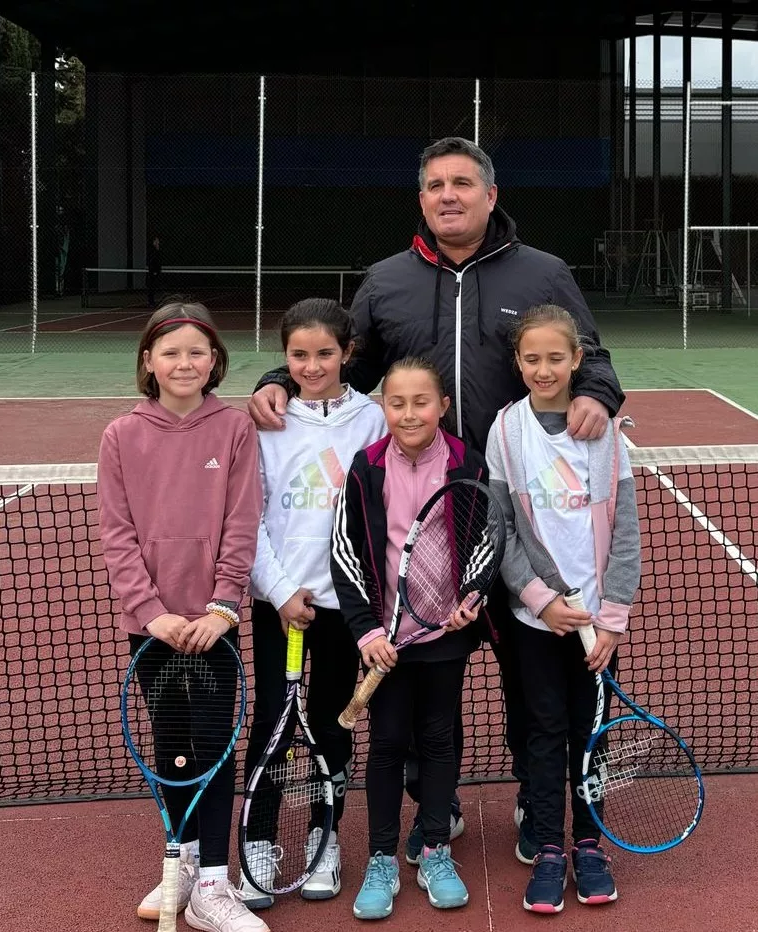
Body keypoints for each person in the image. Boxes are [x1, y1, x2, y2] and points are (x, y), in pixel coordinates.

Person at [246, 136, 626, 860]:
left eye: (461, 183)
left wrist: (600, 397)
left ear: (490, 193)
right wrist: (279, 377)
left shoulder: (544, 272)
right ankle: (434, 803)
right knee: (418, 677)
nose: (447, 195)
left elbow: (592, 356)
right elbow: (340, 359)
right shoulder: (387, 281)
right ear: (420, 198)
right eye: (433, 186)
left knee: (536, 677)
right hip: (408, 521)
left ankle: (541, 805)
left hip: (515, 517)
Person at [96, 302, 268, 932]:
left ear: (215, 361)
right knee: (171, 746)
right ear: (148, 361)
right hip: (155, 632)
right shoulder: (120, 434)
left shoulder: (234, 430)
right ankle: (183, 865)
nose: (184, 362)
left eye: (198, 351)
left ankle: (217, 885)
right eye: (170, 352)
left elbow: (242, 521)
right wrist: (151, 613)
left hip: (213, 627)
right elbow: (117, 534)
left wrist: (224, 607)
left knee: (215, 748)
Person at [485, 304, 639, 913]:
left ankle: (590, 843)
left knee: (591, 736)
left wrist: (611, 620)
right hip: (535, 624)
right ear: (517, 362)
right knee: (545, 734)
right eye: (531, 359)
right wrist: (542, 601)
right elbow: (500, 532)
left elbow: (624, 532)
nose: (543, 369)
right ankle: (550, 846)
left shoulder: (606, 436)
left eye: (556, 357)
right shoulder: (505, 432)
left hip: (598, 629)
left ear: (578, 359)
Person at [238, 298, 387, 910]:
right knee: (272, 725)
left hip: (344, 611)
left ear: (348, 352)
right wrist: (278, 592)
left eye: (325, 353)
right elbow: (249, 519)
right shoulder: (267, 423)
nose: (312, 365)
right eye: (298, 355)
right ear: (284, 358)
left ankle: (324, 841)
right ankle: (259, 842)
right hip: (281, 604)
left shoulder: (373, 422)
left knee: (331, 725)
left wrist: (355, 599)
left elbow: (380, 515)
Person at [328, 357, 489, 920]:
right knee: (389, 744)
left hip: (443, 634)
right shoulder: (366, 465)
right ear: (383, 407)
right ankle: (380, 857)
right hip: (386, 640)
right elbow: (345, 551)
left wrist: (472, 596)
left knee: (439, 738)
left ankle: (435, 846)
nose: (409, 412)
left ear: (443, 406)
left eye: (422, 402)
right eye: (396, 403)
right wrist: (368, 630)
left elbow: (482, 539)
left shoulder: (467, 460)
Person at [147, 235, 163, 308]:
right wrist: (153, 271)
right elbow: (152, 262)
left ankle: (153, 301)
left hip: (156, 271)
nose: (158, 242)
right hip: (153, 272)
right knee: (151, 287)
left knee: (155, 287)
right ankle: (151, 302)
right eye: (156, 241)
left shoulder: (158, 250)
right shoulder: (152, 251)